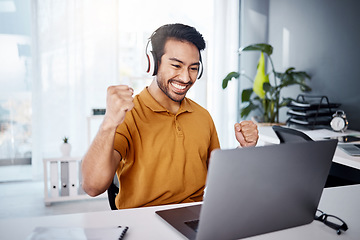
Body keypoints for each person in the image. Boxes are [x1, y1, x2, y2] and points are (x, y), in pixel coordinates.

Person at [81, 23, 259, 209]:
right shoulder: (129, 114)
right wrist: (109, 123)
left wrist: (244, 149)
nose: (185, 78)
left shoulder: (203, 116)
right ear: (153, 63)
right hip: (143, 222)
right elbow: (92, 187)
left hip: (195, 218)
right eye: (176, 65)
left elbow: (220, 179)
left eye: (193, 68)